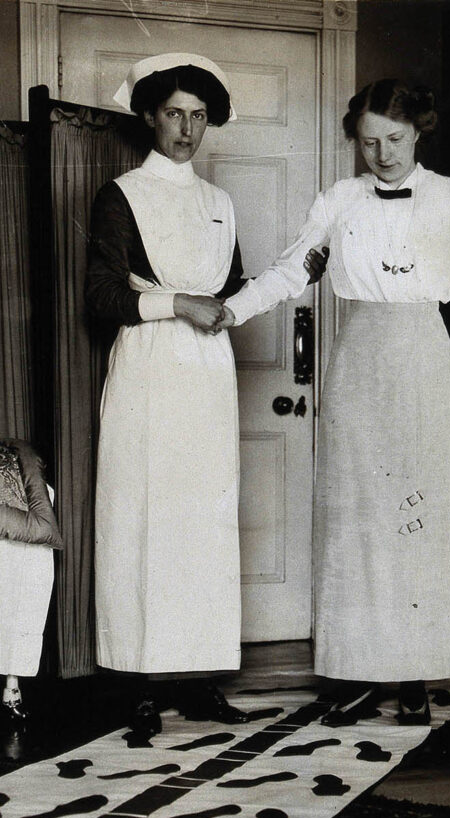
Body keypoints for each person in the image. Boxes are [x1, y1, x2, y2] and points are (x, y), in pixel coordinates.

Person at [219, 78, 450, 726]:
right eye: (369, 142)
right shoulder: (340, 200)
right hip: (358, 365)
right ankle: (356, 675)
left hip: (426, 367)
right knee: (354, 526)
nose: (382, 154)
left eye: (395, 140)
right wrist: (230, 310)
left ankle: (412, 674)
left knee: (418, 522)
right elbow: (292, 268)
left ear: (419, 133)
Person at [85, 53, 326, 738]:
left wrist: (252, 295)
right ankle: (134, 680)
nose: (186, 129)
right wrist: (176, 305)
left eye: (197, 116)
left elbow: (231, 290)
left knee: (203, 526)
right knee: (143, 521)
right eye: (173, 114)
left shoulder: (218, 203)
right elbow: (103, 297)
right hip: (148, 369)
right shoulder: (121, 194)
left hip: (208, 378)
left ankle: (198, 680)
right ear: (150, 117)